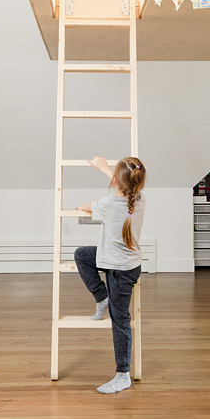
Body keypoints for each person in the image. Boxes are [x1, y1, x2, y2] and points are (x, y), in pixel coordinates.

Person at [74, 155, 146, 394]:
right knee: (83, 254)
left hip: (120, 271)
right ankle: (101, 296)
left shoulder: (108, 204)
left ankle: (123, 374)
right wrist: (105, 169)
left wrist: (80, 207)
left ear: (118, 180)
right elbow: (125, 185)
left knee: (120, 319)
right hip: (122, 262)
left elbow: (85, 207)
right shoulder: (140, 199)